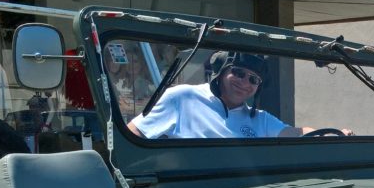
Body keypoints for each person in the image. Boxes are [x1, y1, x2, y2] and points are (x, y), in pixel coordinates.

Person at [127, 51, 353, 139]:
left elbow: (295, 133)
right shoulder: (183, 97)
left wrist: (332, 135)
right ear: (220, 73)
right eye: (238, 73)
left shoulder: (259, 119)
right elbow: (134, 134)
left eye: (254, 80)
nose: (245, 83)